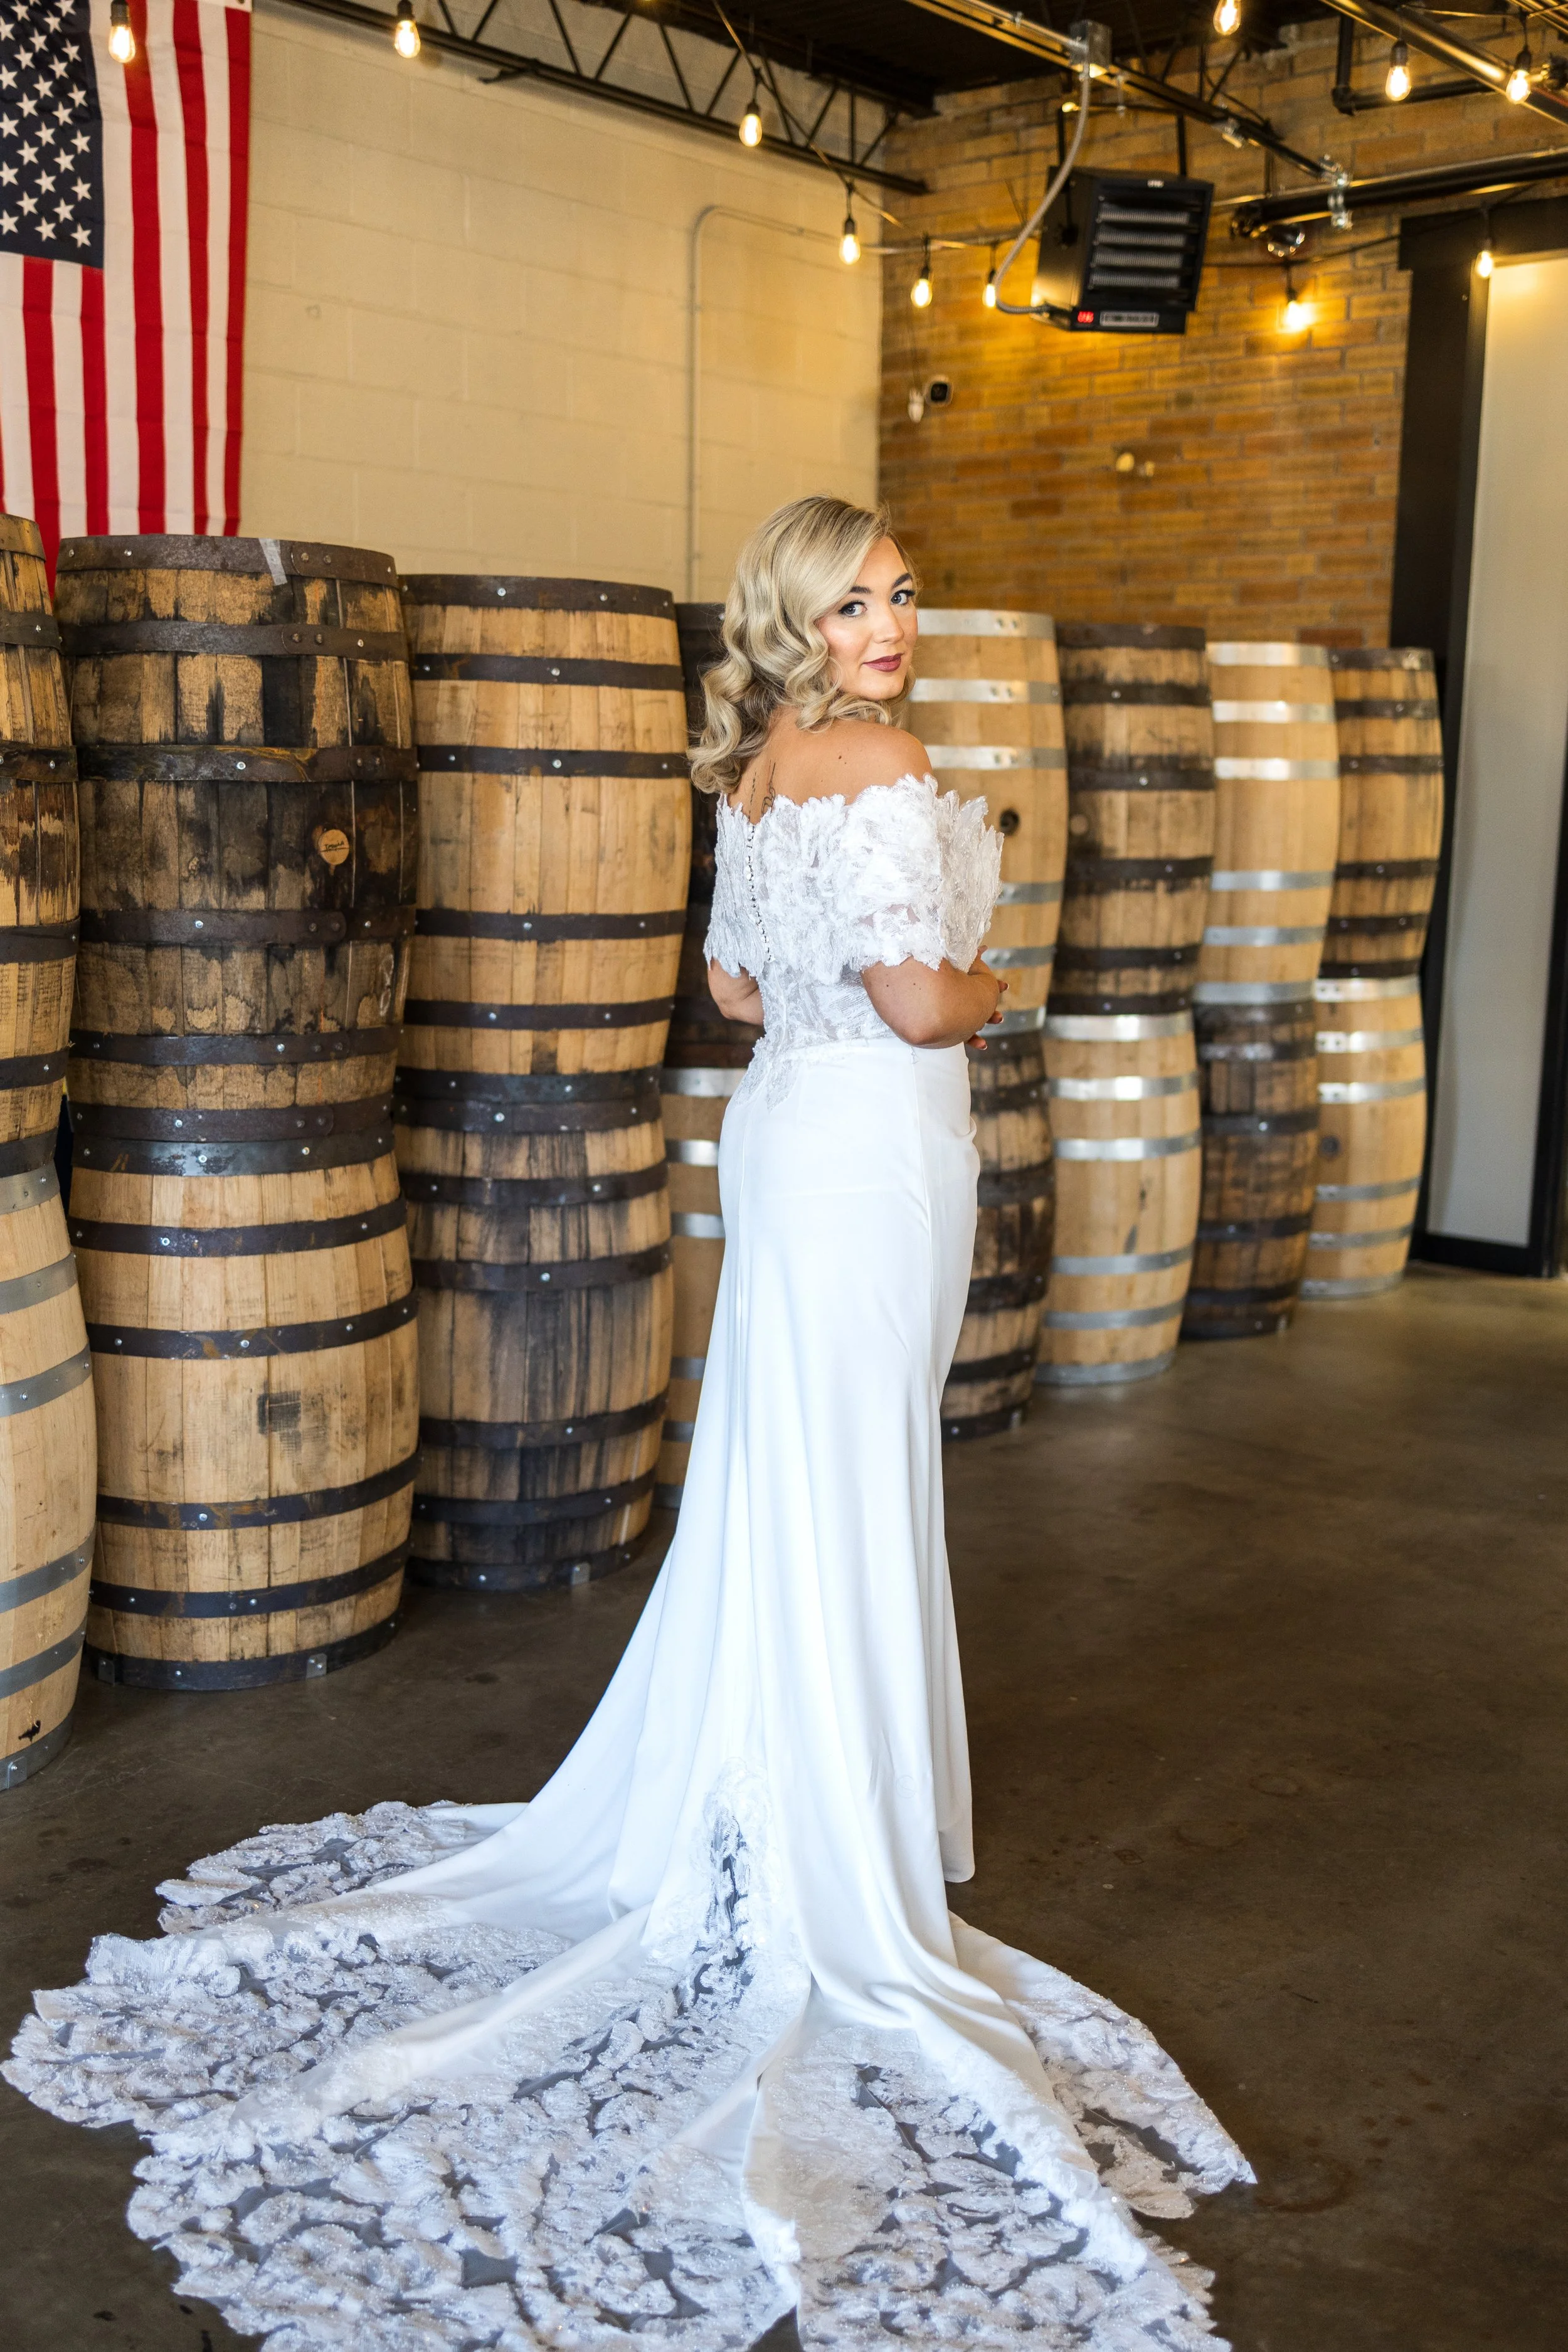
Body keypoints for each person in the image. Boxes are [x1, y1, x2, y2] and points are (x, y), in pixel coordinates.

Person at [7, 496, 1249, 2350]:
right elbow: (916, 995)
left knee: (784, 1480)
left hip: (787, 1134)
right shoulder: (888, 760)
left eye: (900, 596)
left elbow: (741, 990)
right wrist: (997, 984)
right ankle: (829, 1843)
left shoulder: (754, 769)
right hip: (875, 1150)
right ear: (798, 617)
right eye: (855, 601)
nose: (889, 623)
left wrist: (869, 985)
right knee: (843, 1476)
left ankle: (770, 1789)